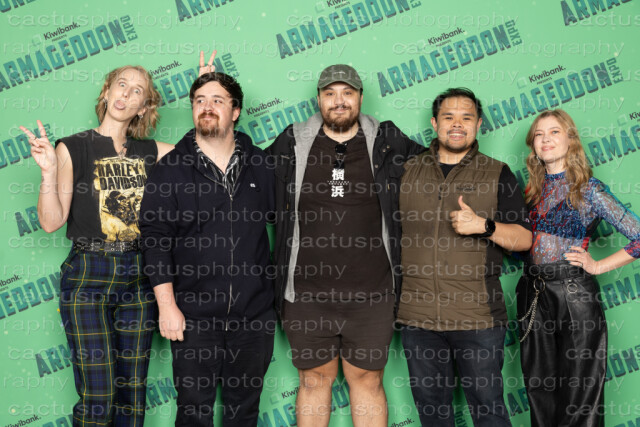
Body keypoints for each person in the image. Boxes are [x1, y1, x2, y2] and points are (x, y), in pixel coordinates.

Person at [267, 64, 424, 427]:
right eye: (330, 94)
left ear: (360, 98)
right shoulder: (292, 142)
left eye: (347, 93)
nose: (339, 101)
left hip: (373, 296)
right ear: (318, 100)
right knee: (313, 381)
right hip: (306, 296)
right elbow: (245, 171)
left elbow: (438, 166)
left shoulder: (387, 140)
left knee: (368, 380)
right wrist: (215, 94)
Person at [20, 65, 173, 426]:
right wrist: (48, 172)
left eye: (137, 91)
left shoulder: (153, 151)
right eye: (121, 84)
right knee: (99, 396)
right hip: (89, 273)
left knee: (132, 397)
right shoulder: (72, 147)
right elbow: (51, 222)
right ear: (106, 92)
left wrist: (207, 88)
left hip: (140, 275)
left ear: (143, 107)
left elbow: (208, 151)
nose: (126, 93)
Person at [139, 69, 275, 427]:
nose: (207, 107)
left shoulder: (262, 165)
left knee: (244, 411)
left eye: (217, 100)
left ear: (236, 111)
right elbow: (154, 240)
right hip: (193, 317)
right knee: (193, 411)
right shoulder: (170, 169)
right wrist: (167, 306)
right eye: (199, 100)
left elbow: (290, 225)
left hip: (254, 316)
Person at [397, 87, 532, 426]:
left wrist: (484, 226)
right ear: (434, 123)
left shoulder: (497, 172)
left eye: (466, 118)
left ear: (478, 124)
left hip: (478, 319)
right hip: (418, 319)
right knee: (432, 413)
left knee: (488, 410)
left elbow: (524, 239)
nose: (457, 124)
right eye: (449, 117)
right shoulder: (406, 171)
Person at [517, 109, 640, 426]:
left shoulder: (588, 188)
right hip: (532, 294)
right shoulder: (531, 192)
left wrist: (598, 266)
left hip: (573, 293)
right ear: (533, 145)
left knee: (580, 387)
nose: (546, 139)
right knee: (539, 386)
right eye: (539, 134)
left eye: (554, 132)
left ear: (571, 140)